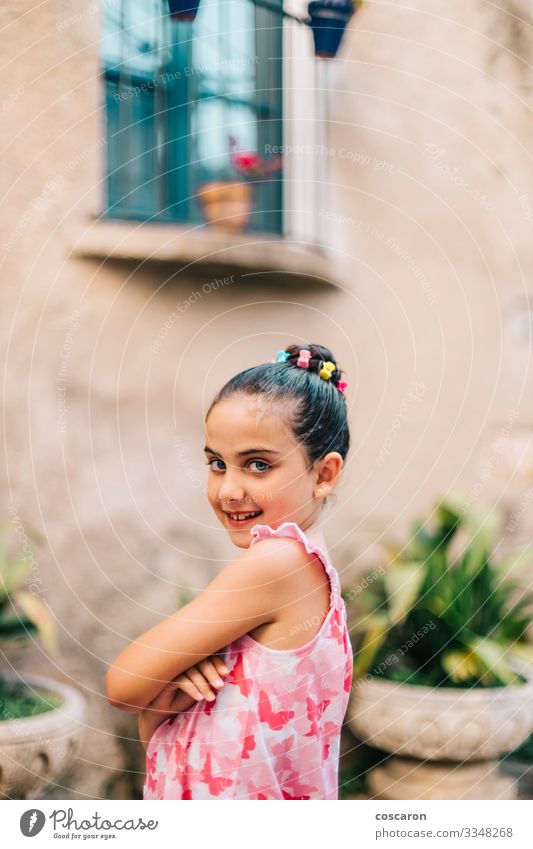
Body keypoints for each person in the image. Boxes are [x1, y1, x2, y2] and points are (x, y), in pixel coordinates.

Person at [105, 343, 353, 800]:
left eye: (259, 464)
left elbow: (122, 685)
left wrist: (159, 681)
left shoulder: (277, 561)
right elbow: (165, 724)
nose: (228, 490)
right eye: (217, 464)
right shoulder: (310, 568)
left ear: (324, 474)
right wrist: (170, 689)